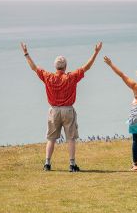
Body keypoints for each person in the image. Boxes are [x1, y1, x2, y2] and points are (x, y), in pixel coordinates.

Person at [20, 41, 102, 172]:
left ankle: (47, 163)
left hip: (54, 110)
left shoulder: (48, 77)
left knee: (51, 138)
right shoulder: (71, 77)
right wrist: (96, 52)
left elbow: (34, 68)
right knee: (70, 138)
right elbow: (86, 67)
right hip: (68, 110)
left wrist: (26, 53)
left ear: (55, 66)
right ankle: (72, 164)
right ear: (65, 66)